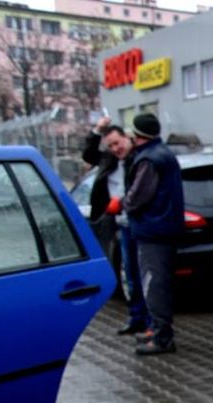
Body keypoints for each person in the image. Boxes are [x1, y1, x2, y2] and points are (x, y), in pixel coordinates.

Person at [108, 113, 184, 356]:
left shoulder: (149, 160)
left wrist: (120, 204)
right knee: (158, 283)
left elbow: (138, 195)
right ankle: (159, 330)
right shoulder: (162, 153)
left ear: (138, 134)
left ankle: (162, 338)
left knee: (154, 285)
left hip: (153, 231)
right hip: (163, 229)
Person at [82, 118, 148, 335]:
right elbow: (87, 155)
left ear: (127, 138)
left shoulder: (139, 159)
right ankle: (136, 317)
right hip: (120, 225)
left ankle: (148, 320)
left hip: (138, 223)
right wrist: (97, 130)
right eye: (110, 145)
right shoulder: (108, 161)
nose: (115, 148)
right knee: (129, 275)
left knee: (143, 274)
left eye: (117, 142)